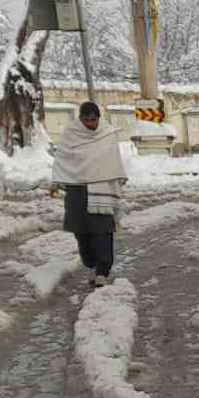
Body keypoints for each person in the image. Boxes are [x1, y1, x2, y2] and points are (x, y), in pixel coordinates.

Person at [47, 102, 126, 288]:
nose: (91, 124)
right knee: (81, 232)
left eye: (94, 119)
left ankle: (102, 270)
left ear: (99, 118)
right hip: (77, 189)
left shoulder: (107, 133)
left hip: (102, 189)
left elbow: (113, 159)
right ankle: (92, 264)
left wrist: (115, 179)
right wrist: (56, 181)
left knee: (102, 231)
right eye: (87, 120)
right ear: (80, 119)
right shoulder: (71, 133)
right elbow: (62, 159)